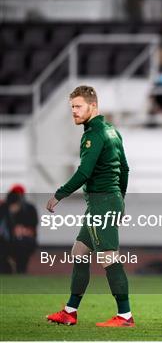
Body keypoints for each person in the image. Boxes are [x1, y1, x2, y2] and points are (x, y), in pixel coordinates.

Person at [45, 86, 133, 327]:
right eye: (72, 107)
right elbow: (124, 169)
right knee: (79, 252)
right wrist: (120, 199)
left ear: (92, 106)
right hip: (108, 200)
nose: (74, 112)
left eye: (78, 107)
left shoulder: (93, 134)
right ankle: (70, 311)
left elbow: (85, 172)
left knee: (109, 258)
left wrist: (59, 194)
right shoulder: (112, 131)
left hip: (101, 203)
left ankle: (125, 316)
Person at [3, 184, 38, 273]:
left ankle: (20, 269)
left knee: (21, 261)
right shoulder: (3, 209)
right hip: (5, 242)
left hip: (23, 242)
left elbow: (33, 227)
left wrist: (23, 231)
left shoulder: (29, 209)